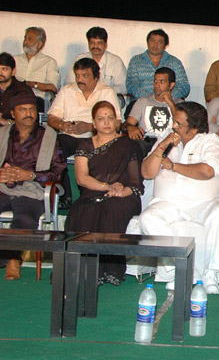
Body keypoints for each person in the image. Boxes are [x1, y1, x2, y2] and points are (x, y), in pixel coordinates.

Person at [139, 102, 219, 294]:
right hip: (168, 204)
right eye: (174, 122)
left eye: (179, 124)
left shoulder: (211, 142)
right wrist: (161, 147)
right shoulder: (166, 139)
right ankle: (178, 270)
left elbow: (207, 171)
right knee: (148, 218)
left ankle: (211, 273)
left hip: (203, 204)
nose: (174, 126)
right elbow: (147, 172)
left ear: (194, 128)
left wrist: (173, 166)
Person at [64, 101, 143, 286]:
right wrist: (108, 187)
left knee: (111, 208)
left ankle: (110, 270)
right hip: (92, 193)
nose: (106, 122)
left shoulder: (129, 145)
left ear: (116, 121)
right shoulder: (85, 145)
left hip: (124, 196)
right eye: (101, 119)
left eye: (110, 118)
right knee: (82, 210)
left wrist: (122, 191)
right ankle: (84, 269)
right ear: (93, 123)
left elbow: (135, 182)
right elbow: (82, 178)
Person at [0, 87, 66, 280]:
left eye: (32, 109)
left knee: (24, 219)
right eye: (23, 109)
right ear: (13, 113)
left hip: (33, 191)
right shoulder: (3, 134)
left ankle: (13, 258)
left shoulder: (49, 136)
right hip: (3, 189)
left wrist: (29, 175)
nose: (28, 113)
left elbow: (58, 172)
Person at [47, 58, 122, 207]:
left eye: (85, 75)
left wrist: (90, 127)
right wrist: (63, 124)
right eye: (77, 75)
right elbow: (51, 118)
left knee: (91, 150)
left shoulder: (107, 92)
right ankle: (65, 195)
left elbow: (117, 124)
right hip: (69, 136)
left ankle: (88, 195)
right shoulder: (67, 90)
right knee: (55, 146)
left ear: (96, 77)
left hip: (95, 138)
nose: (80, 79)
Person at [123, 67, 181, 155]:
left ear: (171, 85)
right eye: (155, 81)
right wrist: (130, 127)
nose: (157, 85)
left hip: (170, 143)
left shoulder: (179, 104)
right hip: (146, 142)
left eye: (162, 82)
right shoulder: (143, 101)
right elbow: (126, 124)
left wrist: (170, 103)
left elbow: (181, 125)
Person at [126, 29, 190, 101]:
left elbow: (184, 86)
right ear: (147, 42)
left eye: (160, 42)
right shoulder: (135, 61)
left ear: (165, 45)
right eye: (152, 41)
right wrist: (150, 98)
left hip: (169, 101)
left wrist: (168, 97)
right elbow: (131, 84)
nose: (155, 45)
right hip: (142, 101)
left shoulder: (175, 62)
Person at [68, 27, 127, 94]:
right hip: (83, 95)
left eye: (99, 43)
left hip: (107, 97)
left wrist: (101, 91)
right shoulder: (80, 59)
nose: (95, 46)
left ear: (106, 44)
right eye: (92, 43)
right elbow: (69, 83)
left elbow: (123, 87)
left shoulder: (115, 61)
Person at [13, 27, 59, 113]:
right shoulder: (15, 60)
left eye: (30, 39)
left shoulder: (49, 62)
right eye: (25, 38)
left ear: (39, 44)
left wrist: (32, 84)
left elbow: (53, 87)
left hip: (36, 98)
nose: (25, 42)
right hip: (14, 97)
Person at [0, 52, 31, 127]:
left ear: (13, 71)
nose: (0, 72)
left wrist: (7, 122)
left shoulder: (23, 90)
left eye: (4, 69)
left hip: (14, 130)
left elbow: (30, 120)